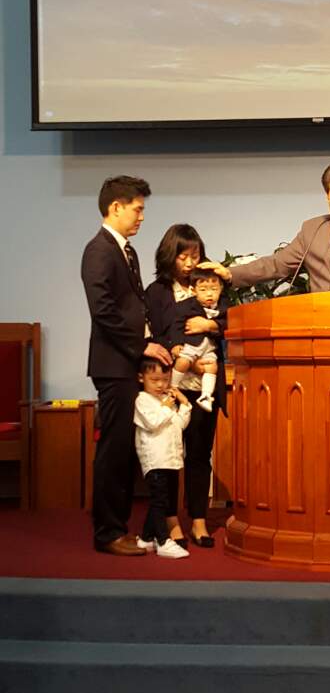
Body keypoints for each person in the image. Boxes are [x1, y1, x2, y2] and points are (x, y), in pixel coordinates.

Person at [81, 175, 171, 557]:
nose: (142, 216)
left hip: (127, 361)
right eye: (137, 209)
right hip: (113, 364)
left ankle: (118, 527)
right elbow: (103, 312)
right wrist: (142, 345)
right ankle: (107, 533)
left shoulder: (125, 250)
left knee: (125, 450)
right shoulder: (99, 250)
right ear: (115, 207)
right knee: (114, 451)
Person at [204, 160, 330, 295]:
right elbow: (277, 264)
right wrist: (230, 273)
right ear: (327, 196)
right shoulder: (313, 230)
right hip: (320, 326)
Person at [145, 224, 228, 549]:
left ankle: (198, 520)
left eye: (195, 255)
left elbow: (229, 321)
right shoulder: (157, 292)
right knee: (169, 455)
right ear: (170, 256)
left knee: (199, 454)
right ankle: (169, 521)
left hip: (204, 385)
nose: (190, 263)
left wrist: (211, 325)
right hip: (170, 384)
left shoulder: (210, 284)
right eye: (183, 257)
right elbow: (153, 336)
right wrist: (184, 358)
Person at [134, 358, 191, 559]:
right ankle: (163, 540)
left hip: (171, 459)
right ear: (141, 378)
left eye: (165, 380)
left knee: (163, 500)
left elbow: (179, 425)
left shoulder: (166, 400)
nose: (160, 385)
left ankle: (146, 538)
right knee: (159, 500)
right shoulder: (142, 400)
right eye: (154, 380)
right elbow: (153, 422)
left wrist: (184, 405)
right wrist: (166, 406)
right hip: (155, 460)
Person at [170, 267, 226, 414]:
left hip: (210, 347)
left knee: (212, 367)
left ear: (221, 289)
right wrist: (176, 344)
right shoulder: (186, 306)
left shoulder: (224, 306)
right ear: (193, 291)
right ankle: (172, 387)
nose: (209, 294)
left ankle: (206, 396)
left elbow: (228, 324)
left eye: (214, 289)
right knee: (182, 361)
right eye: (203, 290)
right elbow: (176, 325)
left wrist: (209, 325)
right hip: (191, 344)